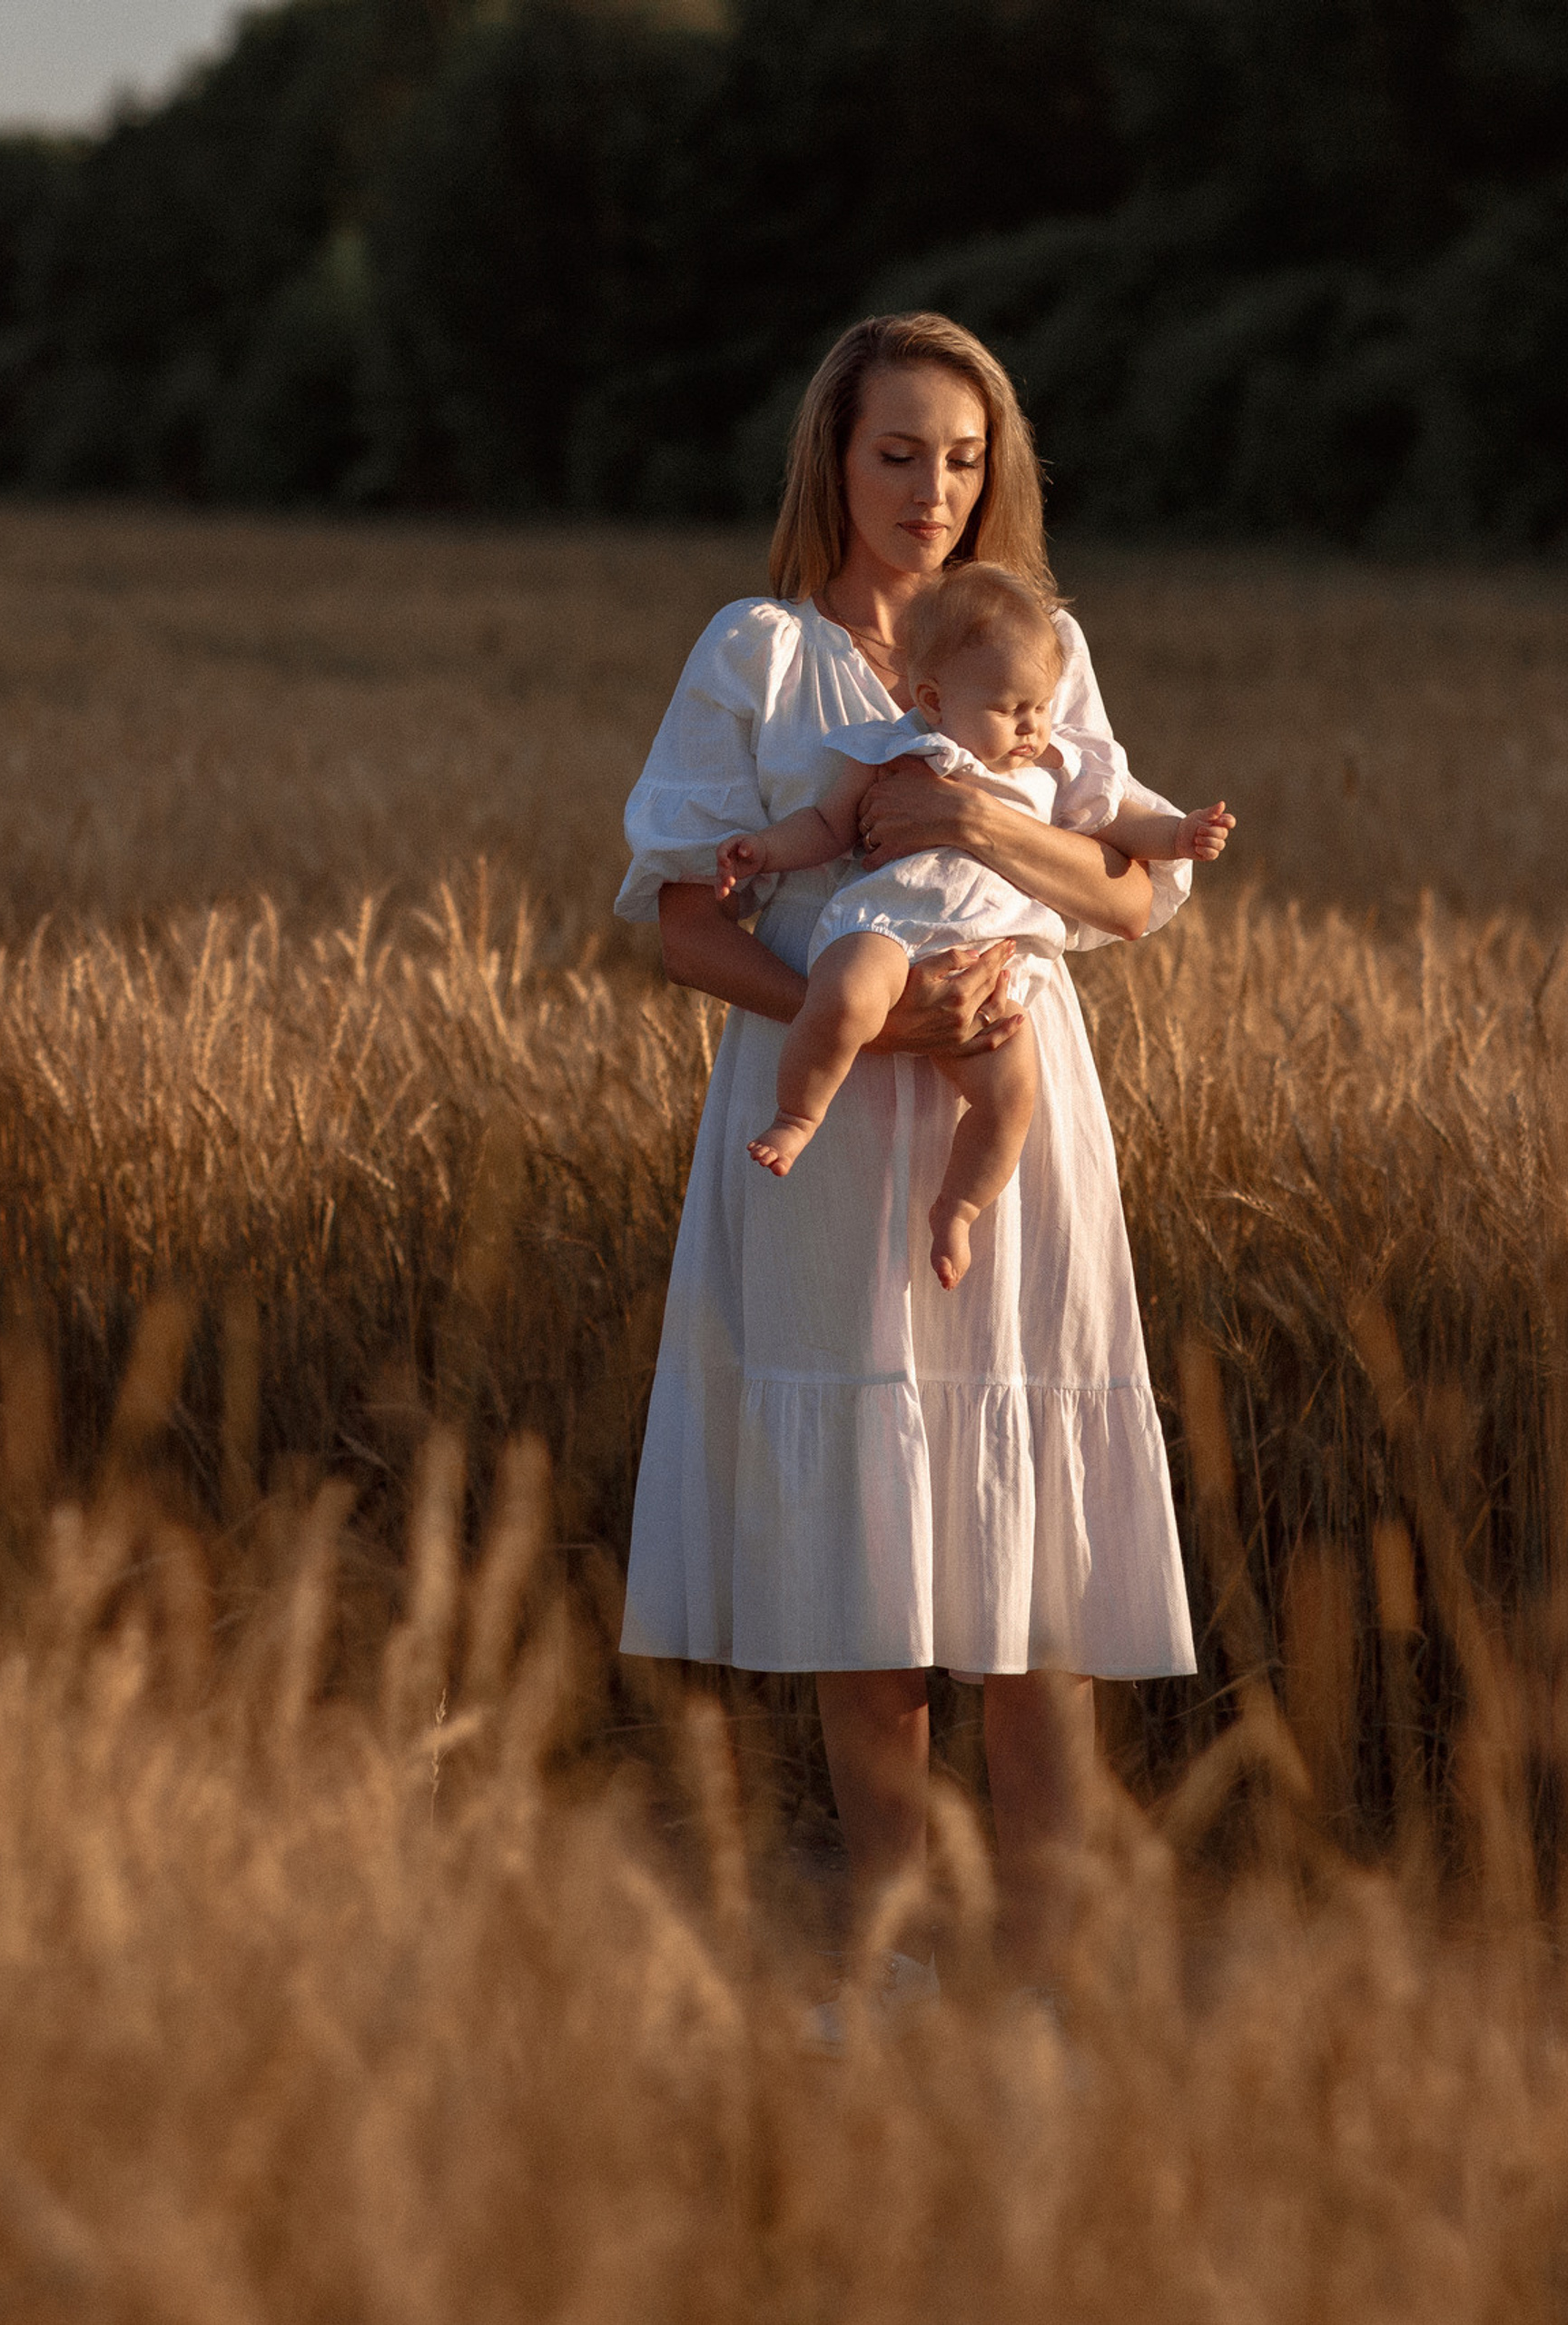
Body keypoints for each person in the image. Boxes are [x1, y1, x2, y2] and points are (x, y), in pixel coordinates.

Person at [614, 311, 1200, 2013]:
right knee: (862, 1581)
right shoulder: (760, 655)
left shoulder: (1033, 643)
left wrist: (978, 822)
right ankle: (890, 1963)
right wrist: (870, 1018)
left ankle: (1049, 1978)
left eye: (964, 458)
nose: (931, 491)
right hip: (824, 1130)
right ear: (834, 457)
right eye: (897, 453)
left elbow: (1135, 896)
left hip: (1014, 1139)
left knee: (1035, 1586)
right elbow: (675, 924)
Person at [717, 561, 1233, 1291]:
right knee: (847, 994)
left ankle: (958, 1206)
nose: (1031, 727)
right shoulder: (894, 748)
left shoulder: (1056, 768)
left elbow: (1120, 825)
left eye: (1041, 707)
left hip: (991, 962)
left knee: (1011, 1089)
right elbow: (828, 826)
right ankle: (798, 1116)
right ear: (933, 699)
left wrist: (1179, 833)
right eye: (1009, 708)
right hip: (889, 924)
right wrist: (764, 850)